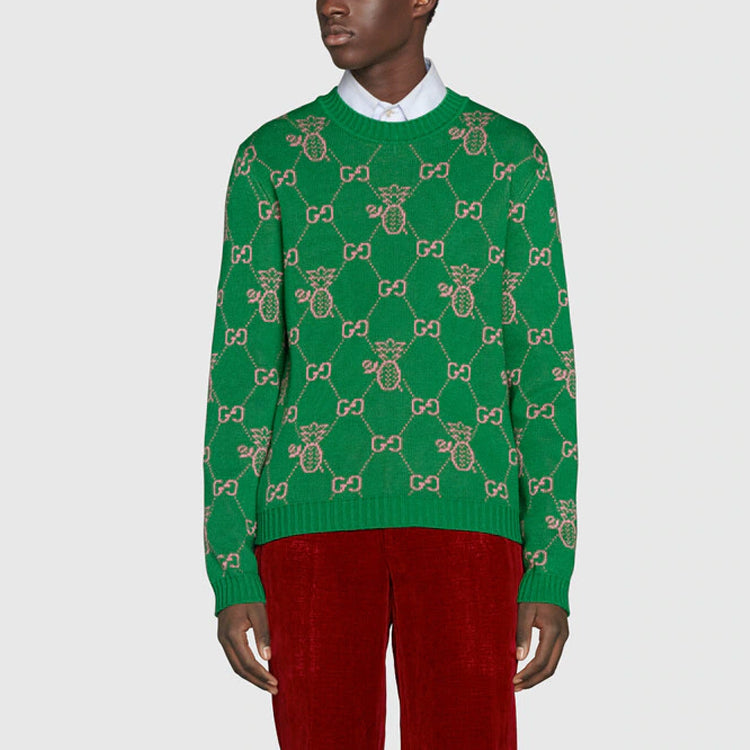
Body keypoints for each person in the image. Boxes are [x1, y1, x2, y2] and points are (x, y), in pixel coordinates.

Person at [202, 1, 579, 747]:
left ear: (422, 1)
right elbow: (242, 372)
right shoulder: (273, 157)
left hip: (471, 519)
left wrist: (549, 565)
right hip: (306, 526)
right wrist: (230, 567)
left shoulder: (508, 157)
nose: (331, 5)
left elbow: (542, 371)